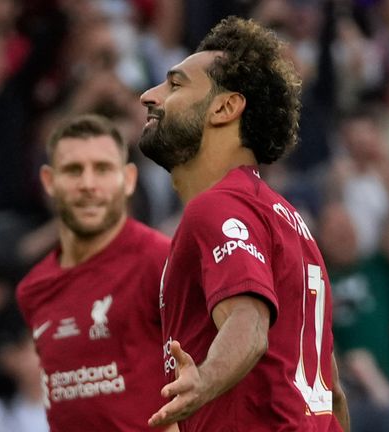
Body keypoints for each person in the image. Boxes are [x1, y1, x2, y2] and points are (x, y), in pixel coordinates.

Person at [138, 16, 350, 431]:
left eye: (175, 85)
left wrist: (204, 382)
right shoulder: (290, 224)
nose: (149, 96)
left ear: (225, 107)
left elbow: (249, 325)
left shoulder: (217, 208)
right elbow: (334, 396)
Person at [15, 114, 174, 431]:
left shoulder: (163, 261)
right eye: (74, 170)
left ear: (128, 180)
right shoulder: (32, 289)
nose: (88, 184)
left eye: (102, 169)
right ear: (49, 181)